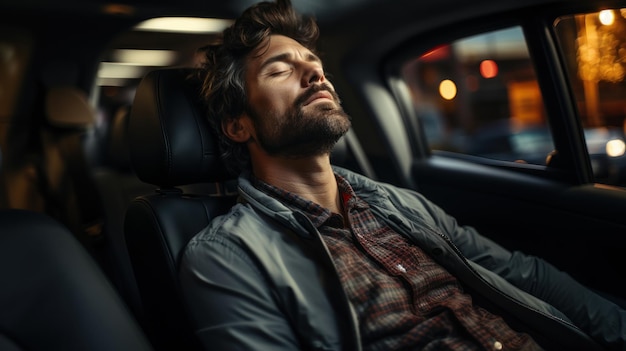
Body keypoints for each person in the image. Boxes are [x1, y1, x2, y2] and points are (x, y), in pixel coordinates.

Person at [179, 1, 626, 350]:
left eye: (314, 63)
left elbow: (522, 274)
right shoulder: (226, 257)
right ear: (239, 125)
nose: (314, 72)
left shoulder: (402, 204)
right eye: (279, 69)